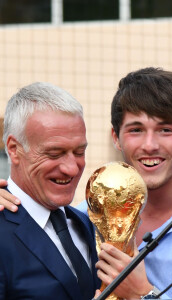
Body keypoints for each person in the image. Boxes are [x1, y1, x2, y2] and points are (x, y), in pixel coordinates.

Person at [0, 68, 172, 299]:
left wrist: (143, 294)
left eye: (165, 130)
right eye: (136, 130)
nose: (150, 145)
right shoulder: (84, 216)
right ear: (116, 138)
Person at [0, 82, 100, 300]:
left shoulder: (86, 225)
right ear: (14, 149)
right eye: (55, 153)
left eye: (79, 151)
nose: (72, 168)